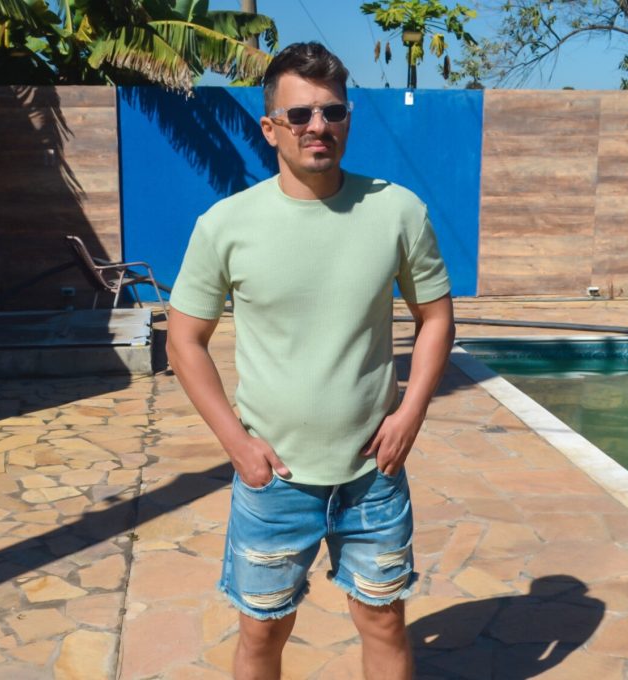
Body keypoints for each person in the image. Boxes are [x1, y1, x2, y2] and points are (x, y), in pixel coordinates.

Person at [166, 41, 455, 680]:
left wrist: (410, 414)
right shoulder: (226, 225)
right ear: (270, 127)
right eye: (299, 114)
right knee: (262, 632)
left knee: (384, 620)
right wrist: (238, 445)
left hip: (373, 473)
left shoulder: (398, 211)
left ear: (348, 119)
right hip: (274, 479)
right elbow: (183, 340)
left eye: (332, 111)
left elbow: (436, 318)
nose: (317, 126)